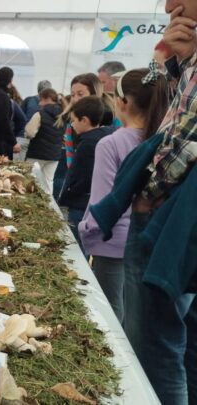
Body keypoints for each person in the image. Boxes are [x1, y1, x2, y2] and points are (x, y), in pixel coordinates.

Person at [91, 3, 197, 402]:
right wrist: (170, 58)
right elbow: (160, 93)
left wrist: (146, 193)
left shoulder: (113, 142)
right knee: (177, 344)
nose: (170, 6)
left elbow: (182, 143)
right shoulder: (182, 60)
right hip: (173, 222)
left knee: (154, 348)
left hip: (166, 221)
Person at [78, 68, 168, 325]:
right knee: (134, 319)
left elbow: (102, 204)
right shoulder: (163, 143)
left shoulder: (111, 144)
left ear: (123, 102)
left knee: (110, 320)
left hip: (111, 245)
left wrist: (85, 231)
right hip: (146, 245)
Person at [58, 96, 116, 255]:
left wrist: (68, 194)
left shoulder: (88, 144)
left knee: (76, 248)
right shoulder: (105, 136)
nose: (72, 125)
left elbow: (81, 177)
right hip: (90, 201)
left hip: (80, 203)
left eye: (74, 120)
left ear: (84, 120)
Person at [24, 88, 65, 195]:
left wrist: (26, 134)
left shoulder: (39, 114)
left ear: (48, 99)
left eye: (41, 100)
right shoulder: (63, 114)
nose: (39, 103)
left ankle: (30, 205)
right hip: (54, 155)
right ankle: (48, 207)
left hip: (37, 153)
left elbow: (30, 132)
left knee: (30, 180)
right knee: (48, 182)